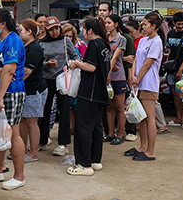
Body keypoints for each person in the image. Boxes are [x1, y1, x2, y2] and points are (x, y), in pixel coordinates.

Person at [0, 8, 28, 190]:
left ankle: (19, 175)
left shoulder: (13, 41)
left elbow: (9, 71)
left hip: (10, 93)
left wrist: (0, 96)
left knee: (12, 132)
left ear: (3, 24)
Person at [66, 18, 111, 175]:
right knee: (96, 127)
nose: (82, 33)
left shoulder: (94, 44)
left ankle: (83, 164)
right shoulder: (104, 44)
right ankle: (95, 160)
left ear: (90, 31)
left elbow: (91, 67)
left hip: (89, 93)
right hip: (99, 92)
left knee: (83, 128)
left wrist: (76, 63)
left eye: (84, 29)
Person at [39, 16, 79, 156]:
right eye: (51, 29)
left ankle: (63, 143)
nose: (55, 31)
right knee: (44, 110)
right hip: (47, 79)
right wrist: (47, 64)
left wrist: (72, 65)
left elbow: (75, 56)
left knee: (64, 111)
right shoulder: (41, 43)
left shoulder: (65, 40)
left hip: (64, 79)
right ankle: (42, 141)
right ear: (46, 30)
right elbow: (39, 63)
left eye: (56, 28)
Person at [129, 12, 164, 161]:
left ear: (154, 26)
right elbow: (137, 59)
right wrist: (132, 76)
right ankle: (142, 146)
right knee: (140, 118)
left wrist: (137, 79)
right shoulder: (143, 40)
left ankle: (151, 151)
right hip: (138, 82)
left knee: (150, 118)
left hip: (148, 84)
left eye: (145, 24)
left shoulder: (156, 41)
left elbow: (148, 64)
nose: (142, 26)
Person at [18, 19, 47, 161]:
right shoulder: (26, 46)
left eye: (21, 30)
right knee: (24, 120)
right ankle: (23, 149)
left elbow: (27, 72)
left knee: (31, 121)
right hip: (27, 90)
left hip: (34, 90)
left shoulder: (34, 48)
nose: (19, 33)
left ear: (29, 32)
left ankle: (34, 152)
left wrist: (11, 82)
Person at [165, 12, 183, 131]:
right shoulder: (170, 34)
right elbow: (169, 51)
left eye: (182, 24)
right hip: (171, 68)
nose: (181, 26)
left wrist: (181, 69)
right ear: (174, 23)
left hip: (182, 69)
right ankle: (178, 117)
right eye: (179, 24)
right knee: (174, 93)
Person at [104, 14, 128, 144]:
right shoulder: (104, 39)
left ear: (116, 24)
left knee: (120, 107)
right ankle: (110, 133)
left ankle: (120, 134)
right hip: (107, 77)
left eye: (109, 22)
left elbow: (114, 57)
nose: (107, 25)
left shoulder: (122, 39)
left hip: (118, 77)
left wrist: (108, 72)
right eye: (106, 23)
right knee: (109, 107)